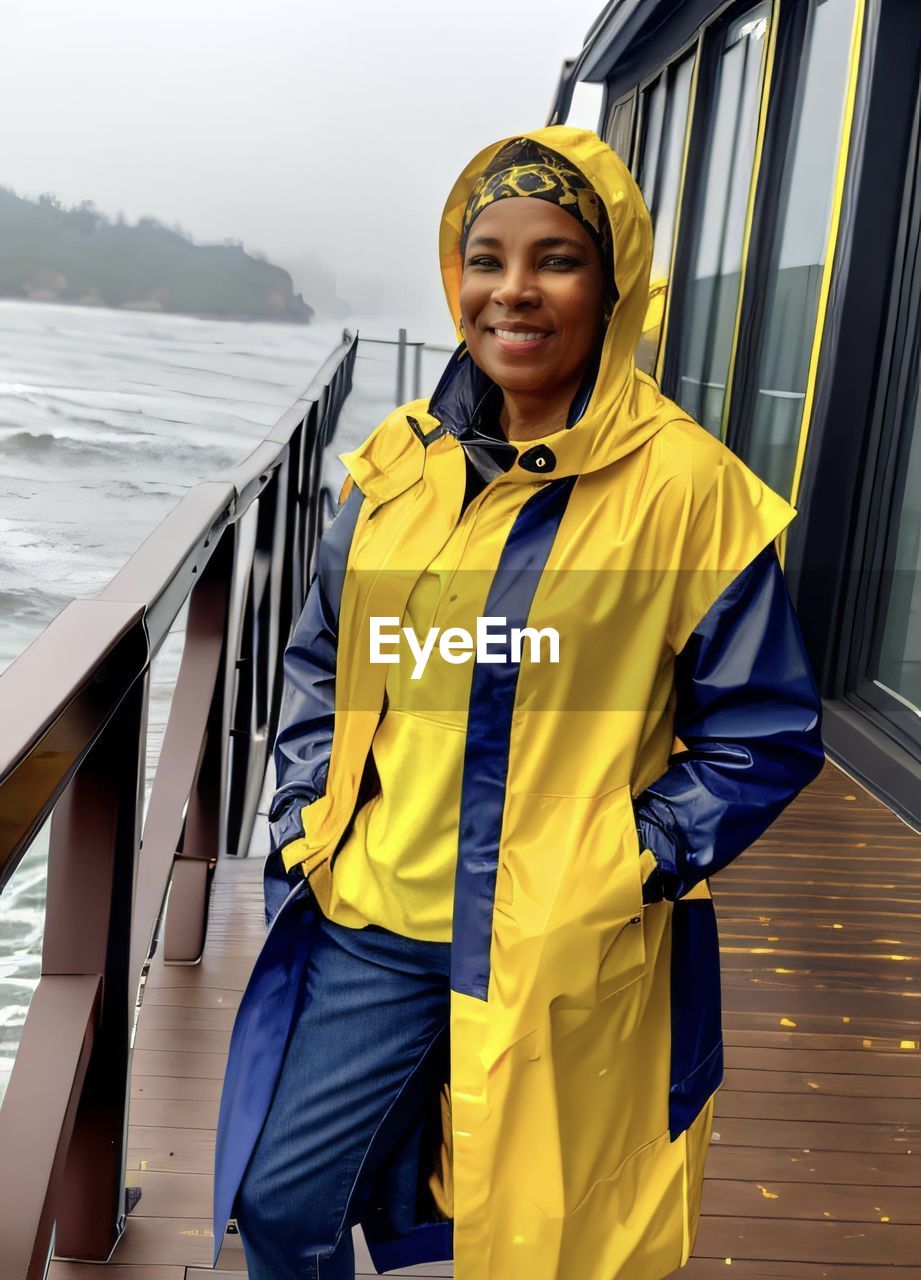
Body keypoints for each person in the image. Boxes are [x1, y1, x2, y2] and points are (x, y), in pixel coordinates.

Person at [212, 126, 825, 1280]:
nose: (515, 290)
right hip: (377, 913)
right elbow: (321, 660)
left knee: (540, 1246)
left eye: (556, 257)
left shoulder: (690, 492)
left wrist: (621, 860)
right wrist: (304, 810)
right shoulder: (401, 463)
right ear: (458, 278)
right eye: (487, 256)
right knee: (283, 1201)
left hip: (561, 937)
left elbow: (765, 730)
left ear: (613, 283)